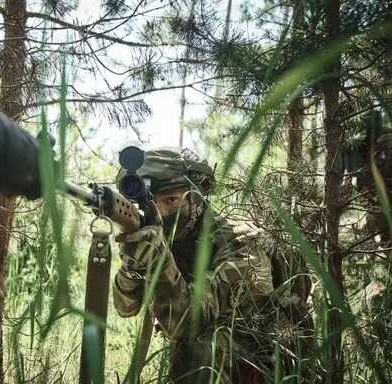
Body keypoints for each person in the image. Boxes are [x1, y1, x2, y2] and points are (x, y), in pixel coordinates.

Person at [112, 147, 305, 384]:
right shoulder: (173, 240)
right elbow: (125, 307)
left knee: (201, 348)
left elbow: (189, 324)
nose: (161, 212)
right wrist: (133, 265)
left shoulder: (241, 244)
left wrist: (158, 262)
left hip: (267, 363)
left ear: (199, 198)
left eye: (171, 200)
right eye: (152, 203)